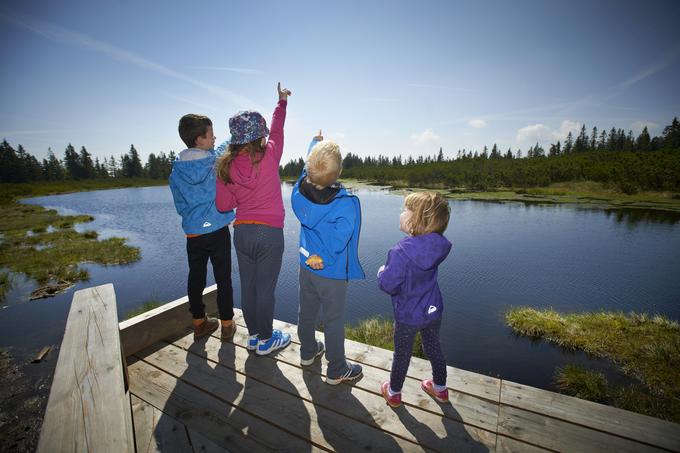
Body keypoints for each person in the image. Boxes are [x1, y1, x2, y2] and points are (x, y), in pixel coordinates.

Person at [215, 83, 291, 356]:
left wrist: (237, 194)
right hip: (270, 233)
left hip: (243, 232)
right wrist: (281, 102)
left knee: (248, 286)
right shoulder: (270, 154)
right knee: (265, 290)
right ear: (260, 135)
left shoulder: (225, 166)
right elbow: (279, 128)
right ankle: (267, 340)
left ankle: (255, 336)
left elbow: (224, 204)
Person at [291, 131, 365, 385]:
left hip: (306, 268)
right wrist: (322, 256)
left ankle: (307, 352)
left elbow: (307, 165)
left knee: (307, 312)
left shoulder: (299, 191)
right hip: (331, 272)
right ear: (339, 171)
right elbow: (339, 240)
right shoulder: (344, 204)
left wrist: (314, 143)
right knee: (333, 321)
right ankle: (336, 369)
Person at [377, 191, 452, 407]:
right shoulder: (437, 246)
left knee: (402, 353)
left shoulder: (400, 252)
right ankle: (440, 388)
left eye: (406, 210)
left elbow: (389, 285)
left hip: (408, 315)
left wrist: (382, 272)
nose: (401, 213)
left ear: (416, 220)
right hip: (432, 309)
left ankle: (393, 392)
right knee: (433, 346)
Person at [169, 114, 236, 341]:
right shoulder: (214, 162)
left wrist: (192, 217)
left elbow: (179, 205)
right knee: (223, 277)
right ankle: (227, 324)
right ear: (200, 139)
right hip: (217, 230)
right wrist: (237, 132)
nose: (215, 137)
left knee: (196, 277)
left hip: (194, 233)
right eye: (210, 134)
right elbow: (227, 147)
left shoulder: (176, 172)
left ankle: (199, 323)